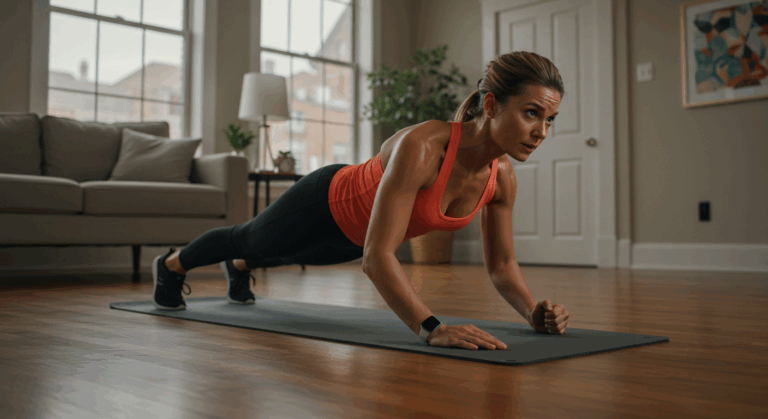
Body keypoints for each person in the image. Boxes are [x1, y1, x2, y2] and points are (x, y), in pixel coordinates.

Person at [151, 51, 570, 350]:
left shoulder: (501, 179)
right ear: (492, 104)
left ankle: (240, 268)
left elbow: (501, 265)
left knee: (281, 254)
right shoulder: (424, 147)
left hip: (353, 240)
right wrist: (431, 328)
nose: (541, 132)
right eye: (531, 113)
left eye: (549, 119)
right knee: (250, 239)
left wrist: (532, 311)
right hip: (323, 204)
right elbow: (378, 257)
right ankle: (170, 265)